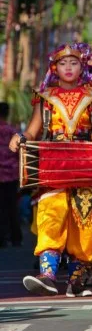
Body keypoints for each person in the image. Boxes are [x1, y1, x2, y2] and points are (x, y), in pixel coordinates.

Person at [8, 43, 92, 297]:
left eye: (73, 63)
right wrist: (21, 137)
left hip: (87, 162)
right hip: (54, 163)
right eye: (63, 64)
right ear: (55, 68)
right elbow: (33, 130)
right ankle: (48, 274)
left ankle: (80, 274)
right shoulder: (45, 97)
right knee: (51, 213)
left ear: (81, 67)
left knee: (84, 219)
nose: (68, 68)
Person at [0, 102, 21, 248]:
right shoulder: (12, 131)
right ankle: (16, 238)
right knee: (12, 206)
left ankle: (2, 238)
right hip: (12, 175)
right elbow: (19, 153)